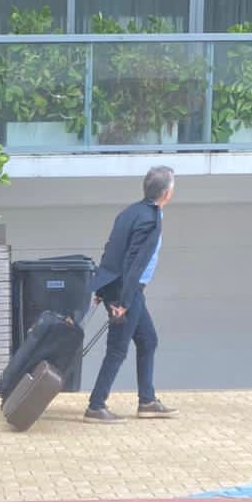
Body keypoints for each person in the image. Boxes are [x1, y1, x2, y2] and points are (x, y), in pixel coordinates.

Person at [84, 166, 179, 423]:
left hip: (122, 288)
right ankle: (95, 406)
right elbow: (135, 261)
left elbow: (110, 250)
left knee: (148, 340)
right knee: (117, 349)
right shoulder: (150, 219)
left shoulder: (130, 212)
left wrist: (102, 287)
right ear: (167, 193)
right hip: (127, 290)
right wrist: (123, 301)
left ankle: (147, 401)